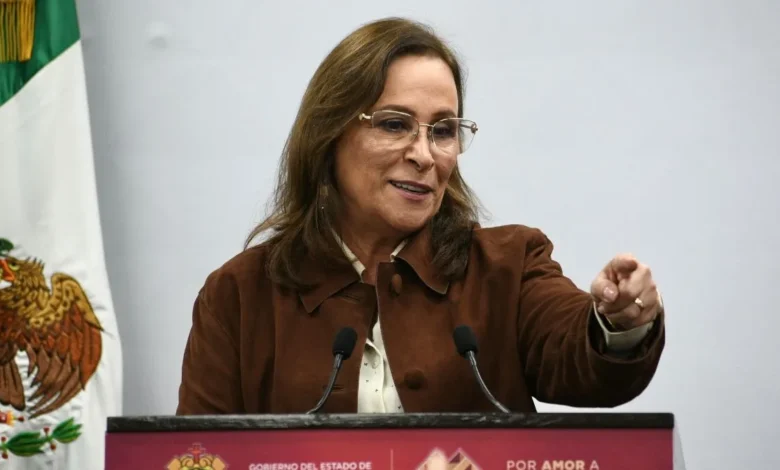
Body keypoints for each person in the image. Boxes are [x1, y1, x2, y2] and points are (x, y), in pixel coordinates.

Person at [176, 17, 665, 415]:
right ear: (329, 135)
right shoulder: (238, 295)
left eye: (443, 131)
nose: (425, 155)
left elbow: (580, 359)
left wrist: (618, 321)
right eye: (395, 124)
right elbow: (197, 454)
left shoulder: (508, 266)